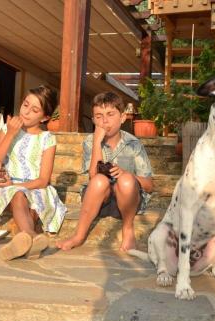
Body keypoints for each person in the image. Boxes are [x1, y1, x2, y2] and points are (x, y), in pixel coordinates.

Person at [56, 91, 153, 252]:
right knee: (100, 180)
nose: (104, 121)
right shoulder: (90, 142)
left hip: (128, 202)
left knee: (127, 179)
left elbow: (149, 185)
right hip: (100, 200)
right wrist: (96, 142)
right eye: (99, 116)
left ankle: (128, 230)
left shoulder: (134, 144)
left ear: (122, 118)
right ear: (93, 120)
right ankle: (79, 235)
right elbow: (93, 176)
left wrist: (125, 174)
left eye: (110, 114)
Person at [0, 85, 67, 261]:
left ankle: (26, 241)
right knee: (18, 195)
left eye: (34, 110)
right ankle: (33, 237)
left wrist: (15, 185)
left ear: (45, 117)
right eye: (25, 104)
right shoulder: (7, 130)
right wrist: (11, 133)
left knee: (27, 200)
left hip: (36, 187)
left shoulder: (47, 139)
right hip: (9, 187)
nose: (26, 112)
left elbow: (43, 180)